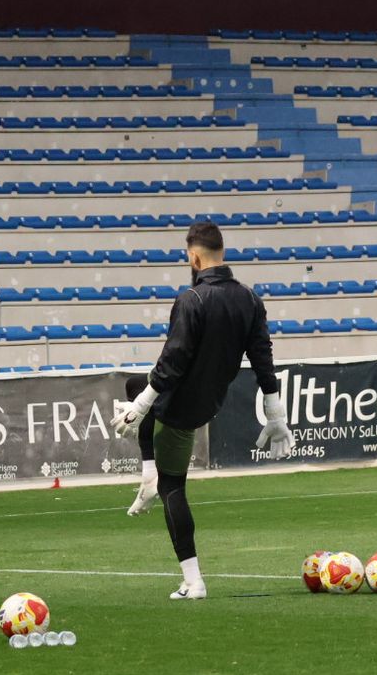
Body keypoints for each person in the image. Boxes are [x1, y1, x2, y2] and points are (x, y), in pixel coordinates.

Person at [112, 221, 295, 598]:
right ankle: (148, 473)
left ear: (194, 257)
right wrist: (275, 410)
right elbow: (262, 357)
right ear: (221, 252)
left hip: (178, 405)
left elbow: (173, 361)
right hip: (208, 402)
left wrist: (143, 405)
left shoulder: (190, 301)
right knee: (133, 385)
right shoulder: (250, 299)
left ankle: (193, 580)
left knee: (173, 488)